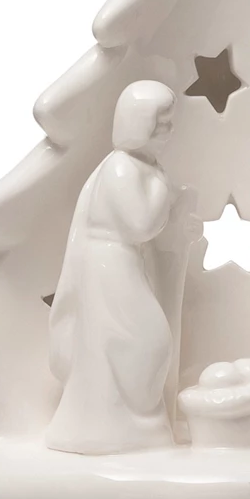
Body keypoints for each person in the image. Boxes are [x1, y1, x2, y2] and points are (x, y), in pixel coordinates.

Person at [46, 80, 188, 455]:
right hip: (108, 264)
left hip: (122, 261)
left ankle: (131, 424)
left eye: (169, 122)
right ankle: (111, 426)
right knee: (137, 340)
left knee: (134, 341)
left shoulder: (140, 166)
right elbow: (140, 224)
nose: (169, 130)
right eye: (162, 123)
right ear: (139, 124)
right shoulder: (122, 168)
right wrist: (165, 189)